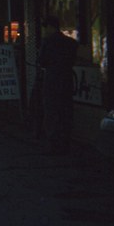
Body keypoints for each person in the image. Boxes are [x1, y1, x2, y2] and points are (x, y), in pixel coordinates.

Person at [38, 16, 79, 154]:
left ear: (51, 27)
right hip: (66, 81)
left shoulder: (48, 42)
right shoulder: (71, 43)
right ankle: (65, 141)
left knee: (51, 112)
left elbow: (41, 61)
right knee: (65, 112)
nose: (44, 31)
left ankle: (54, 143)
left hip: (52, 81)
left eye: (46, 27)